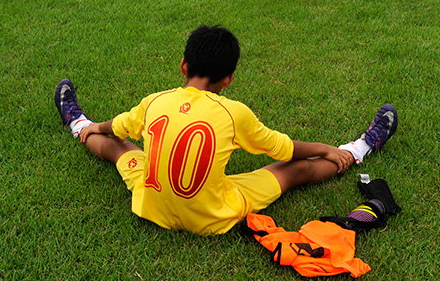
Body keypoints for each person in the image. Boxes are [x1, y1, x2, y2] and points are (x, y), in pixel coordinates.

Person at [53, 24, 399, 236]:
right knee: (294, 171)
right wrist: (324, 147)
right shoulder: (234, 113)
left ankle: (76, 122)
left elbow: (116, 128)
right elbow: (284, 150)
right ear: (229, 79)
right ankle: (359, 149)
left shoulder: (154, 101)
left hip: (150, 203)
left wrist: (94, 126)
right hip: (211, 215)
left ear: (183, 66)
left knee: (118, 147)